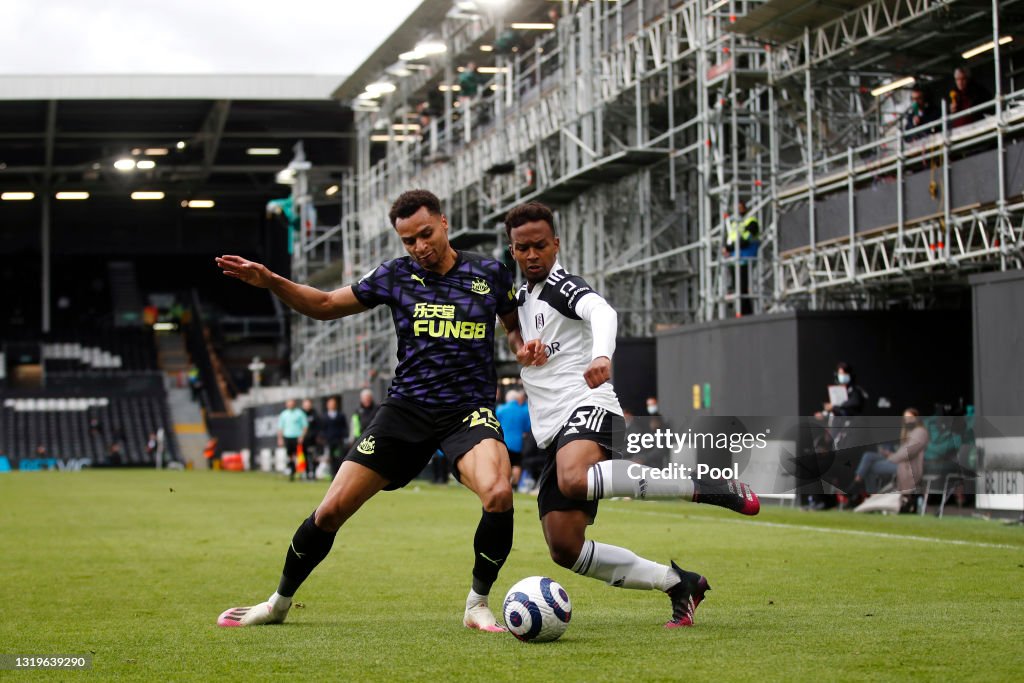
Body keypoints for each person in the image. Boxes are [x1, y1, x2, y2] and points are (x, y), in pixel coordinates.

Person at [214, 189, 537, 632]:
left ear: (444, 222)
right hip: (405, 410)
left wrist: (522, 350)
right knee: (329, 512)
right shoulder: (395, 276)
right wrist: (272, 280)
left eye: (425, 234)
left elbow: (513, 326)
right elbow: (325, 306)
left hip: (467, 411)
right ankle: (277, 603)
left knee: (498, 495)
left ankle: (477, 604)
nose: (420, 247)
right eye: (408, 241)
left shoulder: (490, 272)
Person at [505, 201, 760, 629]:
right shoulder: (521, 296)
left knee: (573, 478)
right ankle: (679, 583)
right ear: (512, 251)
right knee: (565, 548)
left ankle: (709, 485)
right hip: (553, 431)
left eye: (540, 246)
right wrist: (519, 348)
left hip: (589, 408)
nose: (532, 255)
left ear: (556, 244)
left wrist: (602, 355)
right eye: (522, 248)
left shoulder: (562, 285)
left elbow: (603, 312)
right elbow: (515, 328)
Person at [850, 408, 929, 508]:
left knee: (870, 467)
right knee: (868, 456)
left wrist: (892, 457)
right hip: (899, 460)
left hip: (907, 466)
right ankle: (863, 487)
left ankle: (867, 492)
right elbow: (902, 452)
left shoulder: (920, 432)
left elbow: (907, 453)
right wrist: (890, 454)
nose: (907, 420)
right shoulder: (908, 432)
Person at [721, 201, 760, 315]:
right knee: (736, 286)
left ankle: (746, 312)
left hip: (746, 257)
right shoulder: (735, 224)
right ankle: (740, 311)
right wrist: (728, 248)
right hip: (735, 259)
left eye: (740, 207)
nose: (738, 210)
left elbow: (746, 240)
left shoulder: (751, 222)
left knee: (743, 286)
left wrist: (729, 248)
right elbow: (732, 239)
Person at [496, 389, 531, 487]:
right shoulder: (523, 411)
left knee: (503, 463)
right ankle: (514, 486)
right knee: (516, 464)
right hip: (517, 443)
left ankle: (503, 483)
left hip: (503, 441)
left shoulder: (500, 409)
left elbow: (495, 424)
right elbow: (527, 428)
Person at [277, 399, 308, 482]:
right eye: (288, 403)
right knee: (290, 456)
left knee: (300, 455)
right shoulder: (284, 414)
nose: (290, 405)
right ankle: (292, 471)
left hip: (297, 437)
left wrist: (302, 436)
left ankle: (301, 473)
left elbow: (305, 426)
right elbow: (280, 427)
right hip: (287, 437)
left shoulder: (300, 413)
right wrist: (280, 438)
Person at [322, 397, 348, 476]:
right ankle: (333, 474)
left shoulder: (340, 415)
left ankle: (339, 474)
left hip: (338, 440)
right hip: (329, 440)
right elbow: (322, 429)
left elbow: (344, 427)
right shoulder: (324, 416)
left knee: (339, 457)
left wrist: (344, 437)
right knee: (331, 458)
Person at [301, 398, 322, 481]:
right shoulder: (300, 414)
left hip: (312, 440)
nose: (307, 406)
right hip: (303, 440)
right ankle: (306, 474)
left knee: (313, 458)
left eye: (308, 404)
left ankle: (313, 474)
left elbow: (318, 426)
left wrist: (316, 436)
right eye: (305, 404)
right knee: (304, 458)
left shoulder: (315, 414)